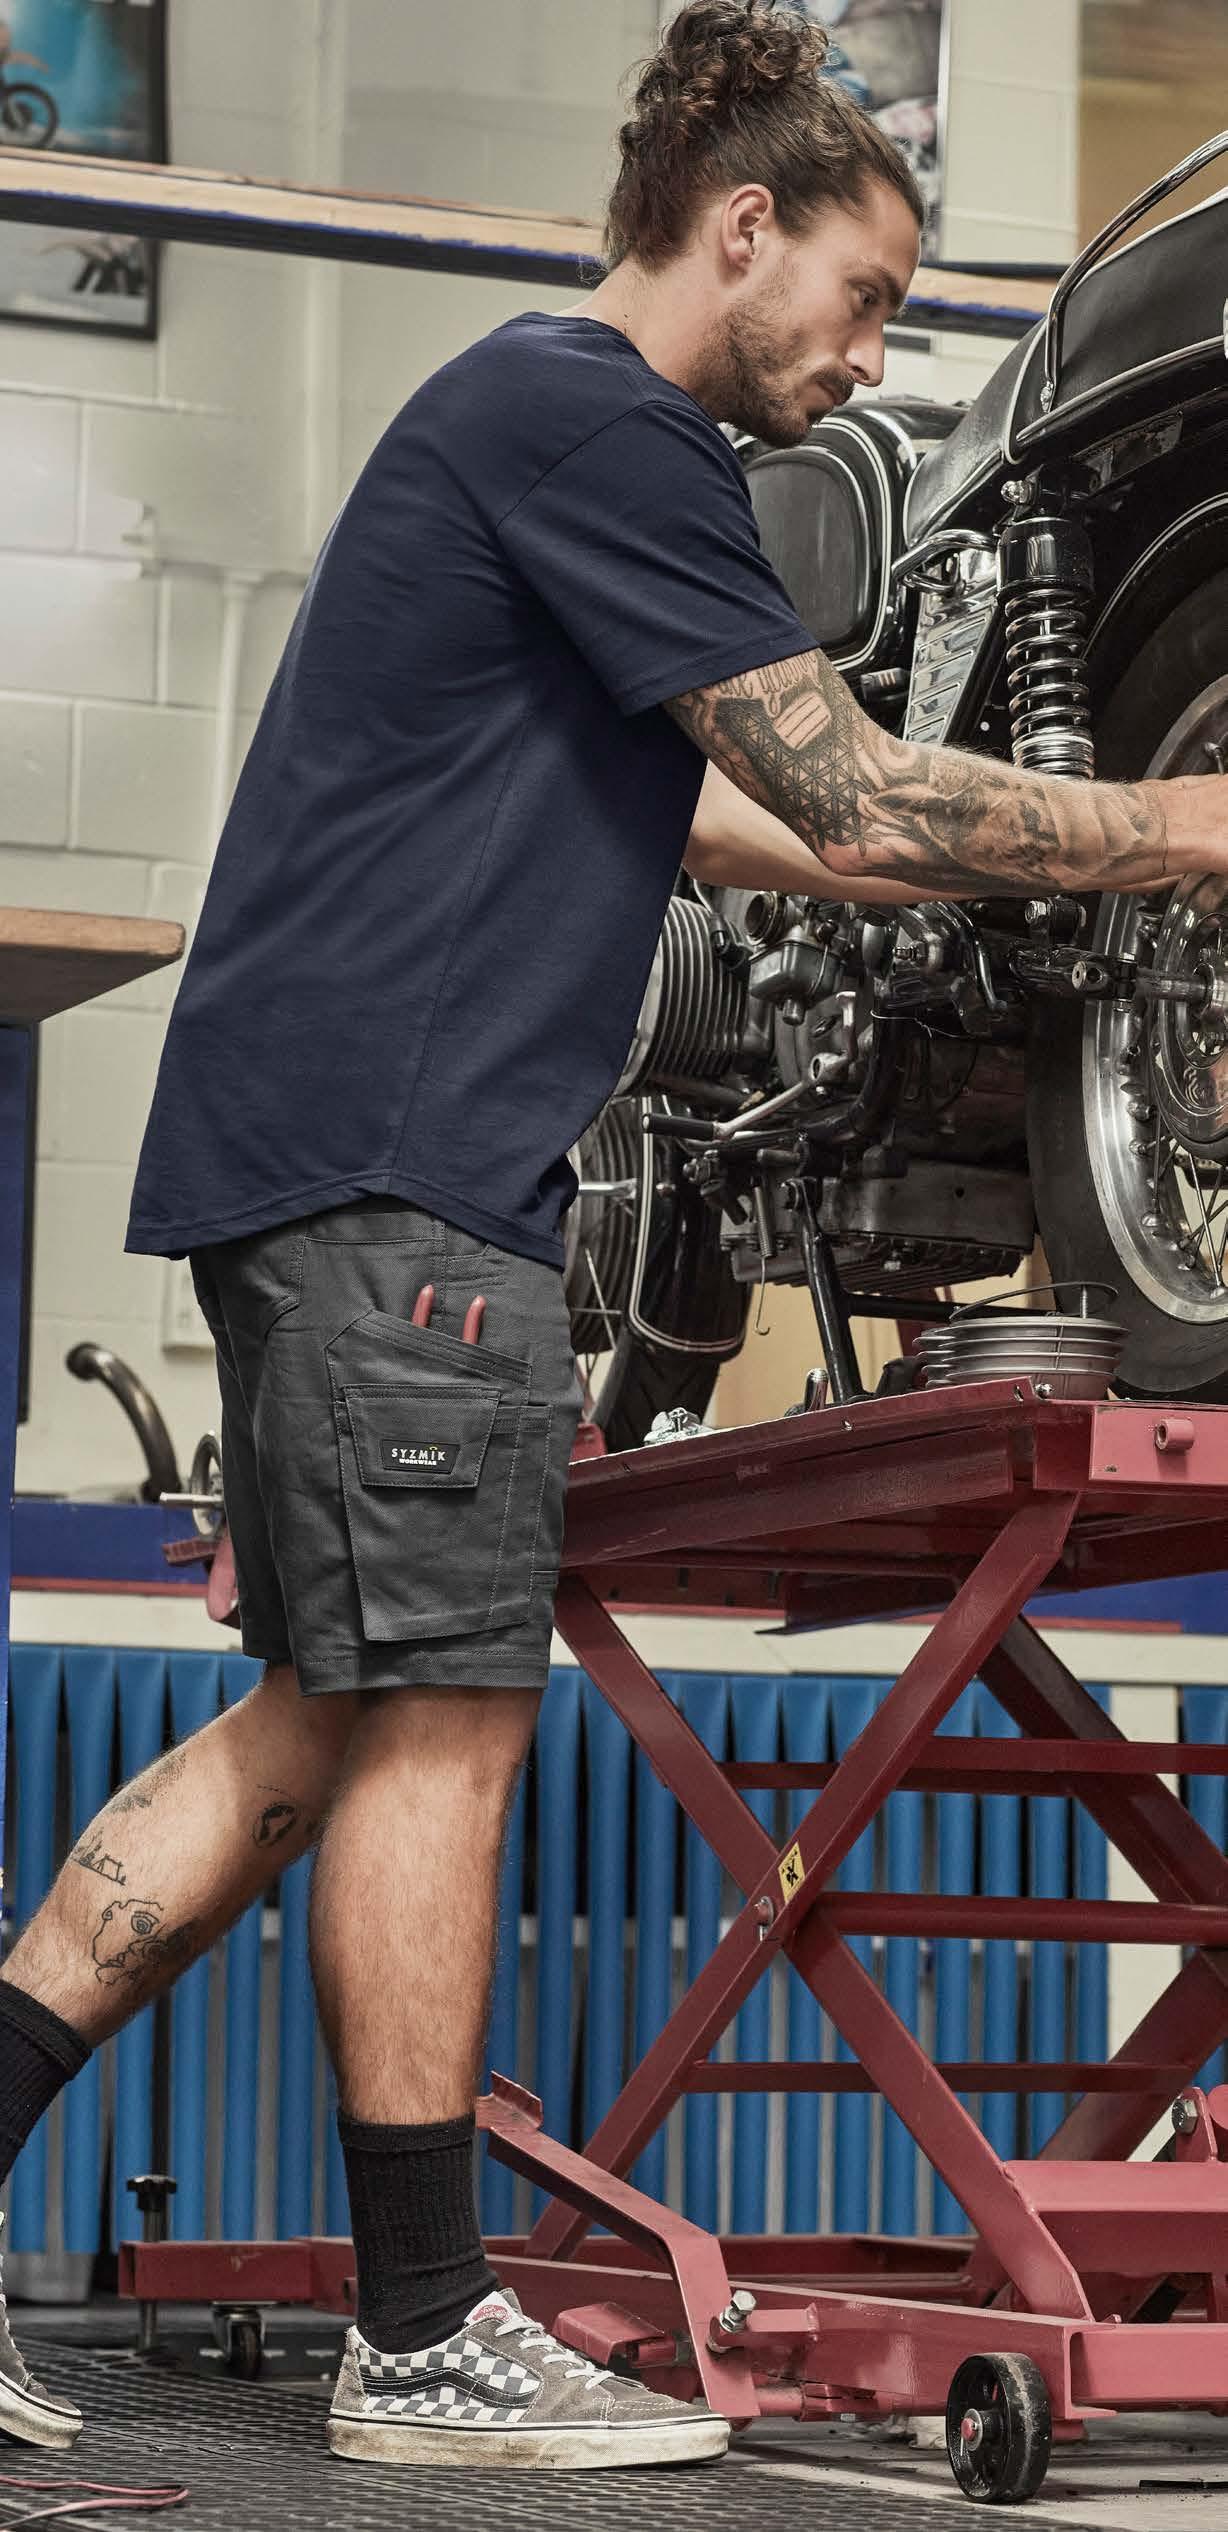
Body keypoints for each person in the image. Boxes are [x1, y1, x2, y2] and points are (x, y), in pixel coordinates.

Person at [0, 0, 1222, 2475]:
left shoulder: (531, 442)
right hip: (402, 1172)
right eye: (860, 299)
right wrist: (1184, 836)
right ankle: (424, 2336)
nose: (866, 357)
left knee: (311, 1732)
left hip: (326, 1163)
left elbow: (750, 826)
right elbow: (846, 780)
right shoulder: (597, 423)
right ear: (738, 228)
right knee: (447, 1723)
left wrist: (983, 868)